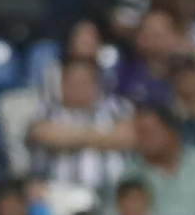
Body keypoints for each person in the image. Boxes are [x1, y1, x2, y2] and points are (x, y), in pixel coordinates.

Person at [26, 59, 135, 194]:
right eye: (73, 83)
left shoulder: (116, 107)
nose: (78, 88)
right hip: (61, 192)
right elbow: (41, 134)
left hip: (114, 191)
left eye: (84, 83)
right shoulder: (48, 109)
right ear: (62, 85)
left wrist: (68, 137)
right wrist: (105, 135)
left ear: (96, 85)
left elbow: (129, 137)